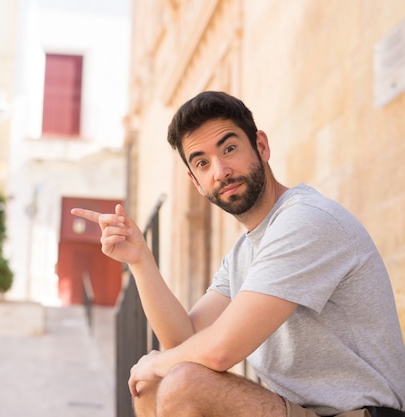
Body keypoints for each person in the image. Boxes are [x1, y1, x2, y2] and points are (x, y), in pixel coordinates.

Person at [71, 91, 405, 417]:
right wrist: (140, 261)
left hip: (363, 412)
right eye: (202, 163)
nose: (220, 170)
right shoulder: (244, 251)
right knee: (153, 385)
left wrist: (155, 363)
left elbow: (219, 351)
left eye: (229, 148)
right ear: (196, 182)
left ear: (261, 146)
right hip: (298, 410)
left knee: (182, 381)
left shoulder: (305, 221)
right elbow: (184, 340)